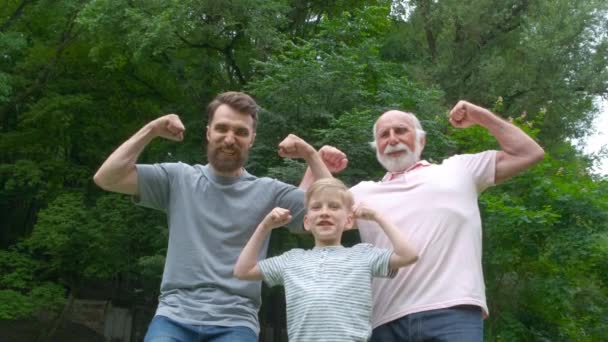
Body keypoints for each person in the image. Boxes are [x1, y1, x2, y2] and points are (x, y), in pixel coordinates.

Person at [93, 91, 335, 342]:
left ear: (252, 138)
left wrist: (310, 154)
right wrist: (152, 129)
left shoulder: (269, 192)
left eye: (241, 132)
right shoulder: (178, 179)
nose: (230, 139)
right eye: (222, 128)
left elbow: (336, 214)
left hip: (236, 322)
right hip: (174, 316)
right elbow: (107, 178)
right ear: (208, 132)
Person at [306, 100, 545, 341]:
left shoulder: (460, 170)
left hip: (452, 312)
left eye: (401, 130)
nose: (392, 139)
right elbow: (311, 212)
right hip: (386, 322)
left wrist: (480, 116)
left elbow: (529, 152)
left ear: (421, 140)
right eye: (383, 135)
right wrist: (314, 160)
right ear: (377, 147)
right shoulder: (364, 194)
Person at [233, 178, 419, 342]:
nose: (324, 212)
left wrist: (378, 217)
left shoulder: (363, 255)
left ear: (348, 221)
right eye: (316, 207)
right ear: (307, 221)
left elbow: (408, 255)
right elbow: (243, 271)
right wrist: (265, 226)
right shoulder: (291, 260)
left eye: (334, 206)